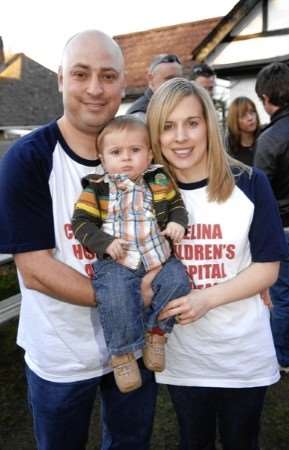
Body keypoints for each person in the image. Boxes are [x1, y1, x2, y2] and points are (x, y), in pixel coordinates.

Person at [0, 30, 158, 450]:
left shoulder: (142, 155)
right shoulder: (29, 158)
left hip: (135, 344)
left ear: (123, 84)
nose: (94, 89)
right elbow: (35, 271)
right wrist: (128, 298)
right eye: (81, 74)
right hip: (61, 355)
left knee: (130, 442)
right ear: (60, 79)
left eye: (107, 76)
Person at [146, 77, 288, 450]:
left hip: (242, 350)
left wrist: (206, 298)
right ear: (155, 135)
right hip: (184, 354)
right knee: (194, 441)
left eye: (191, 123)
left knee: (243, 441)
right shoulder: (147, 194)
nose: (180, 137)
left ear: (209, 123)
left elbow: (267, 267)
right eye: (168, 126)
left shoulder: (250, 182)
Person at [72, 114, 190, 393]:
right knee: (114, 296)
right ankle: (122, 353)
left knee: (179, 281)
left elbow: (177, 206)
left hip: (157, 254)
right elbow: (81, 223)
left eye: (135, 151)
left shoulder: (159, 179)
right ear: (102, 158)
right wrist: (104, 242)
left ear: (149, 154)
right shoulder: (97, 187)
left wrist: (177, 223)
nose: (126, 158)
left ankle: (157, 332)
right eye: (116, 152)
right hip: (118, 260)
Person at [254, 62, 289, 373]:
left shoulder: (271, 138)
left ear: (267, 98)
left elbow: (261, 194)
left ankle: (285, 357)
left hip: (285, 228)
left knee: (282, 296)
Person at [126, 53, 183, 118]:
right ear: (151, 79)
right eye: (169, 79)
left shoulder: (184, 104)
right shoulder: (140, 115)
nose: (176, 84)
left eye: (179, 79)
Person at [225, 96, 261, 166]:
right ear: (235, 120)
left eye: (252, 112)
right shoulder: (228, 149)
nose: (250, 118)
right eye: (243, 115)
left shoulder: (266, 140)